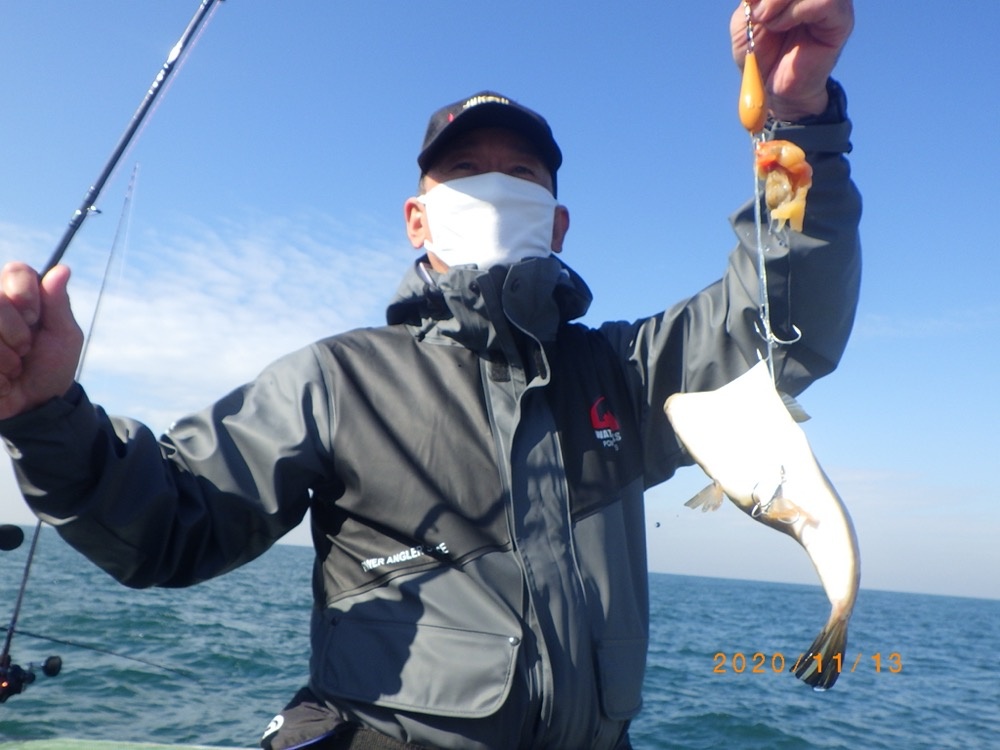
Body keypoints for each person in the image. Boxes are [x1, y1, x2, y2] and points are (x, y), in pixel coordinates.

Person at [0, 1, 859, 748]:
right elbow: (172, 522)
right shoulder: (338, 381)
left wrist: (796, 124)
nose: (493, 188)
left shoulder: (627, 375)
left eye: (519, 174)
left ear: (557, 223)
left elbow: (781, 324)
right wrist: (46, 415)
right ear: (418, 217)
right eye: (464, 172)